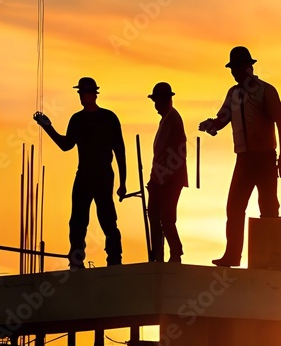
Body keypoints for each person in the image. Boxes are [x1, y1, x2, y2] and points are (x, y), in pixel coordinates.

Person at [199, 46, 281, 267]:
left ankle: (274, 256)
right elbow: (223, 118)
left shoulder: (266, 91)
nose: (233, 73)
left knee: (268, 208)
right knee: (235, 207)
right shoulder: (234, 94)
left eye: (236, 68)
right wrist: (212, 125)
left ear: (247, 67)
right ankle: (232, 255)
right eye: (232, 69)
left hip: (266, 159)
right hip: (244, 160)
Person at [34, 77, 127, 268]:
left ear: (92, 94)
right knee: (77, 219)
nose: (81, 96)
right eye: (80, 93)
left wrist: (123, 182)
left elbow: (120, 150)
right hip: (84, 174)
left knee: (107, 216)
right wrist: (47, 127)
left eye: (83, 93)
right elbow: (66, 145)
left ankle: (114, 259)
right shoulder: (77, 119)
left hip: (102, 175)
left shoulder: (108, 118)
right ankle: (76, 259)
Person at [146, 82, 188, 263]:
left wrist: (165, 176)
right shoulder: (166, 119)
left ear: (166, 100)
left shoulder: (173, 119)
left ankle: (175, 252)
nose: (156, 106)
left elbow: (178, 152)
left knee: (166, 217)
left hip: (170, 179)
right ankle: (158, 255)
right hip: (160, 178)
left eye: (158, 101)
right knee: (155, 215)